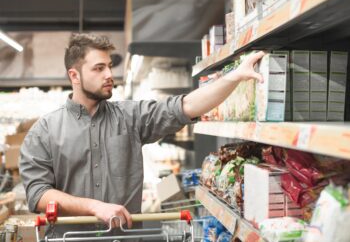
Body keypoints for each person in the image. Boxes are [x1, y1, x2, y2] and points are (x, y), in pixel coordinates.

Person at [19, 33, 264, 240]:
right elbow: (38, 193)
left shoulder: (130, 117)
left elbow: (185, 106)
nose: (108, 74)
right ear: (74, 76)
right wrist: (95, 207)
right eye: (98, 68)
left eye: (109, 66)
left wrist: (234, 76)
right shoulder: (44, 132)